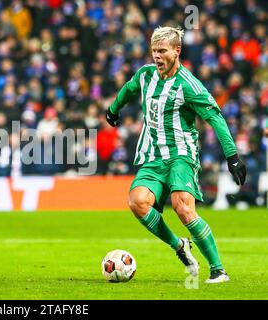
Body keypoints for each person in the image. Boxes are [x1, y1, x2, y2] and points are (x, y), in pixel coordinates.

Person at [105, 26, 246, 283]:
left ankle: (218, 269)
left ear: (177, 51)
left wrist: (232, 155)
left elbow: (215, 117)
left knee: (182, 206)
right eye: (153, 51)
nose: (156, 56)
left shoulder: (189, 85)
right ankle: (179, 245)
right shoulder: (146, 75)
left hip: (182, 155)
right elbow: (128, 88)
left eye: (162, 51)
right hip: (152, 156)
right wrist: (113, 110)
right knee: (137, 202)